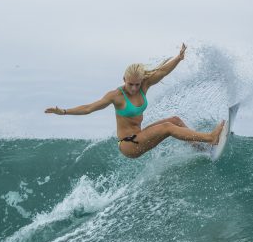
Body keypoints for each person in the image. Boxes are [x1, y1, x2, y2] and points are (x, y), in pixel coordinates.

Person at [45, 43, 225, 158]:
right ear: (124, 79)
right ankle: (210, 138)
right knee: (167, 127)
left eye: (137, 84)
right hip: (128, 145)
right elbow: (89, 108)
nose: (133, 88)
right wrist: (64, 111)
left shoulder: (143, 86)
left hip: (140, 136)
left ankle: (200, 149)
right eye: (130, 84)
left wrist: (178, 58)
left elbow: (161, 72)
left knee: (175, 120)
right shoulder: (116, 95)